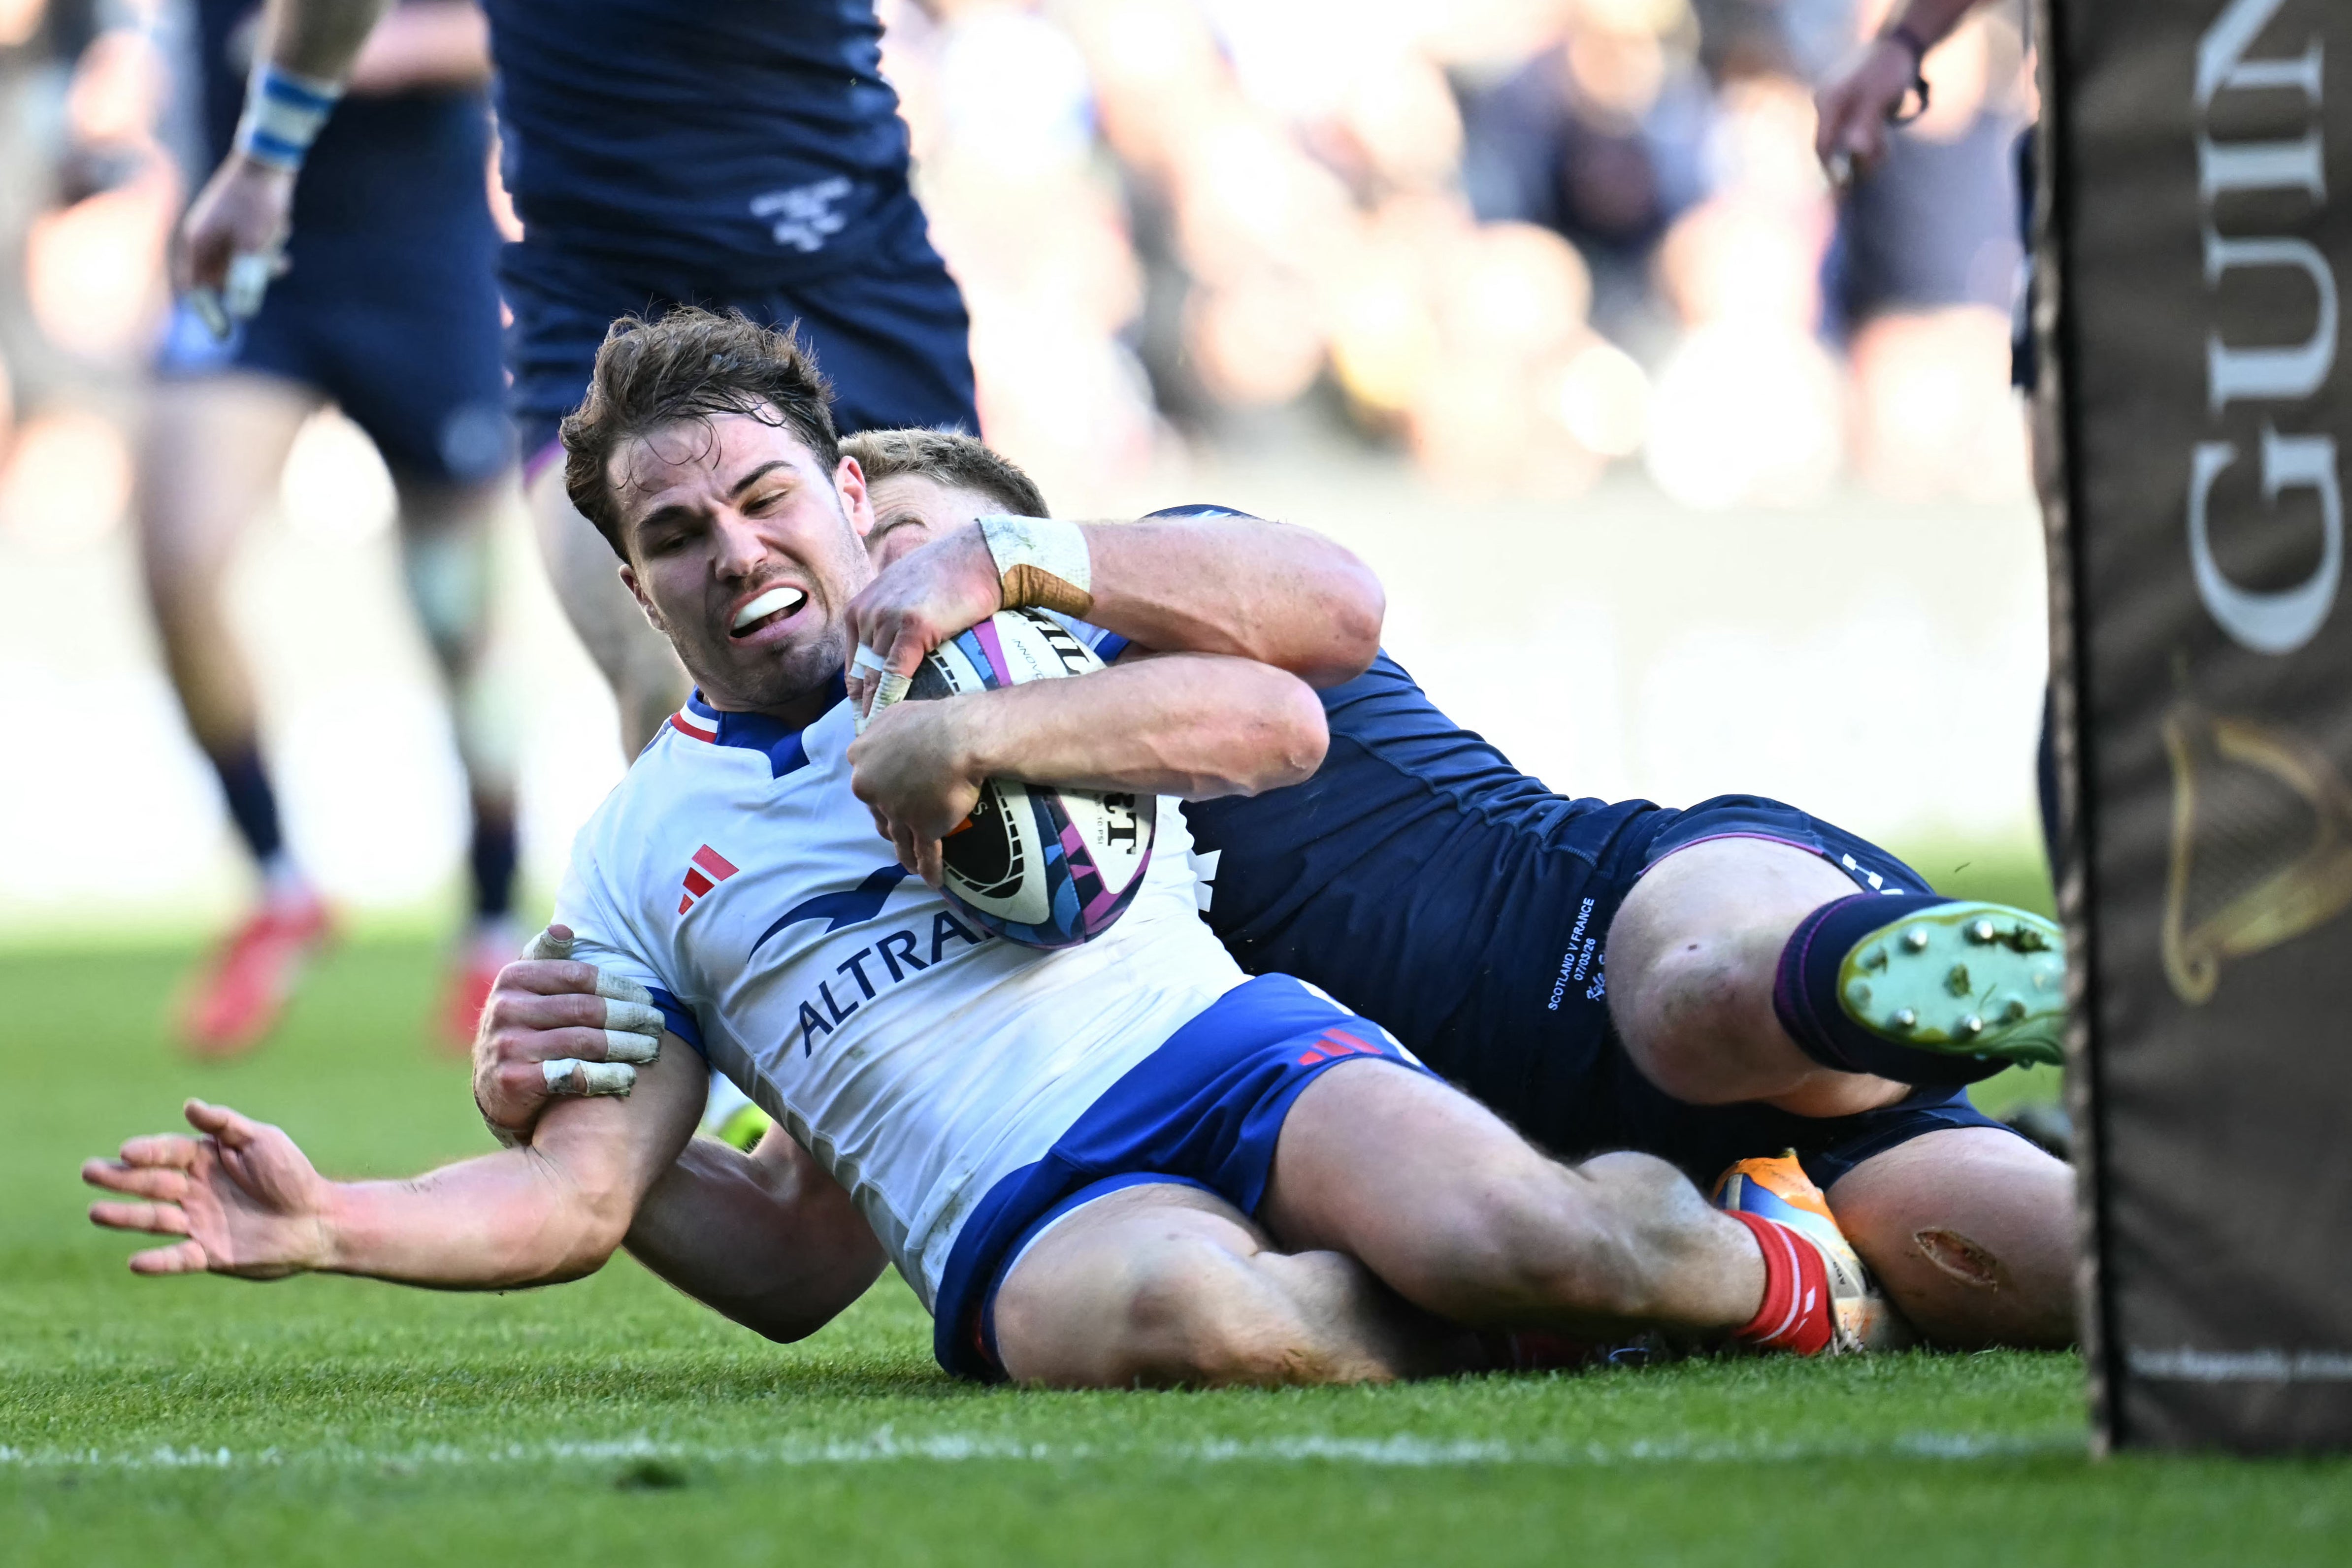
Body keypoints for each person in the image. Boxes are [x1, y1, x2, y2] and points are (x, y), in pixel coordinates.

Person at [84, 306, 2002, 1387]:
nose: (734, 550)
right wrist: (338, 1216)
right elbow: (594, 1210)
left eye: (764, 499)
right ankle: (1587, 1294)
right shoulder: (633, 852)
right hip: (1025, 1215)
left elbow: (1282, 717)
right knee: (1201, 1318)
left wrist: (967, 735)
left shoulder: (1008, 639)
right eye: (677, 540)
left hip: (1234, 1059)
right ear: (639, 588)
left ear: (846, 498)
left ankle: (1781, 1272)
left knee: (1515, 1225)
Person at [471, 422, 2075, 1352]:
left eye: (908, 543)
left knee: (1701, 998)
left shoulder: (1170, 592)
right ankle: (1854, 1205)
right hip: (1541, 1155)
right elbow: (815, 1245)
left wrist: (1015, 581)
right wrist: (579, 1108)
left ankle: (2023, 989)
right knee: (2089, 1276)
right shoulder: (955, 873)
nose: (891, 601)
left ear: (1013, 532)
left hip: (1610, 906)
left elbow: (1336, 609)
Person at [172, 0, 977, 755]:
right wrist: (265, 161)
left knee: (938, 666)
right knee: (674, 668)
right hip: (601, 297)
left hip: (844, 271)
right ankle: (716, 902)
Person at [141, 0, 518, 1054]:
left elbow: (528, 26)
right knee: (178, 561)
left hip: (419, 262)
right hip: (258, 250)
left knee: (458, 623)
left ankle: (491, 919)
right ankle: (278, 882)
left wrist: (375, 45)